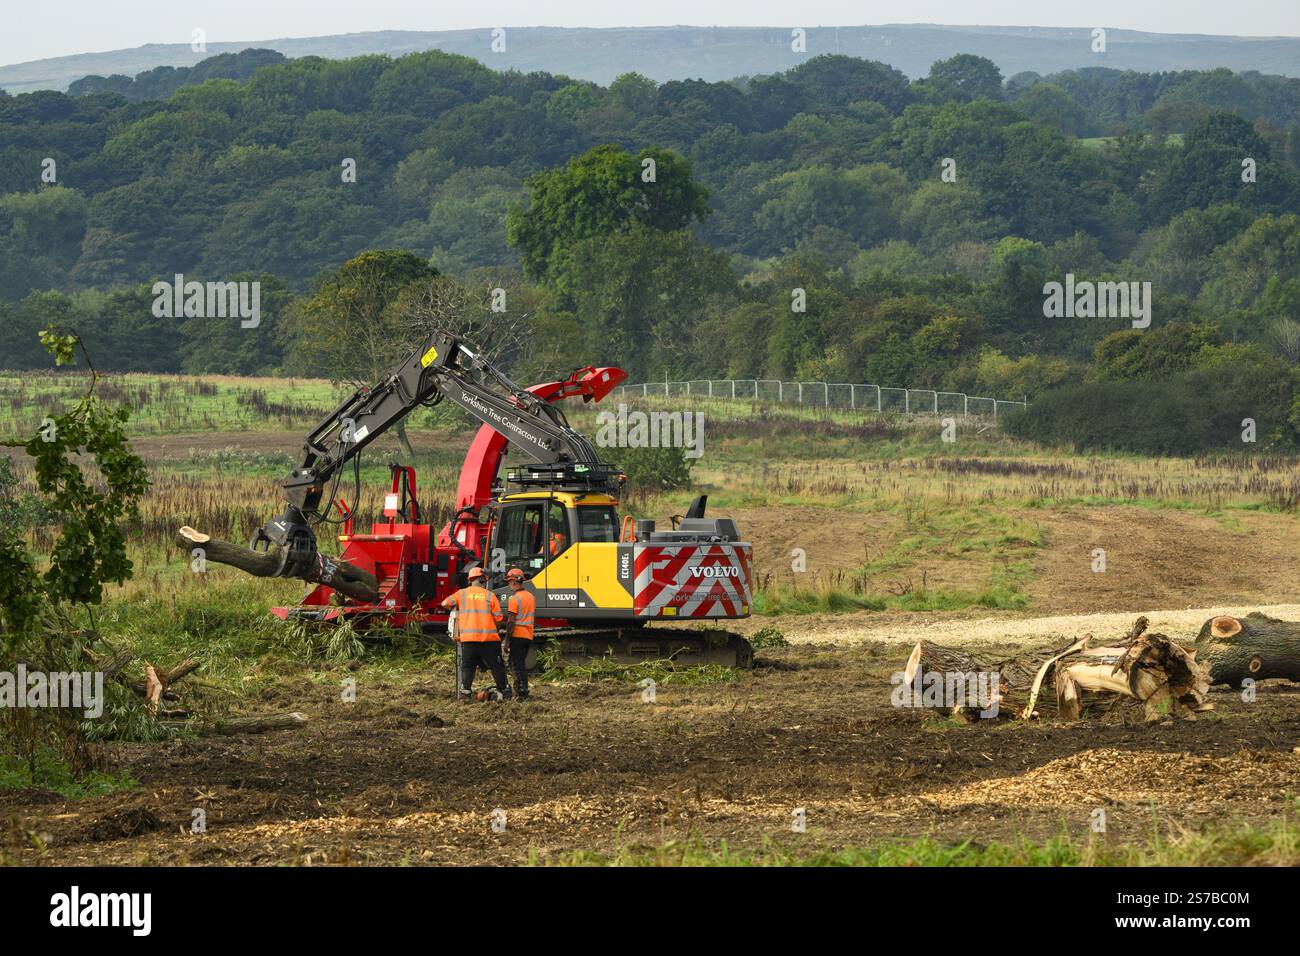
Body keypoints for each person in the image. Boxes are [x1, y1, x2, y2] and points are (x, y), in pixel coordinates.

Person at [440, 567, 509, 701]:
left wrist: (458, 609)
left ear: (470, 580)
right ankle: (505, 692)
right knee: (497, 667)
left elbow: (444, 603)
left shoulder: (461, 594)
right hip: (489, 640)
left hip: (469, 640)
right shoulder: (490, 595)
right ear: (483, 580)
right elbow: (499, 618)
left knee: (468, 667)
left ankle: (465, 693)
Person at [501, 567, 536, 700]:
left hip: (517, 636)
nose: (509, 585)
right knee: (520, 663)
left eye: (509, 582)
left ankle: (522, 692)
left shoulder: (514, 599)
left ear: (514, 582)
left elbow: (511, 622)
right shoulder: (531, 597)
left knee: (515, 665)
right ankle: (523, 690)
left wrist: (507, 641)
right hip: (528, 635)